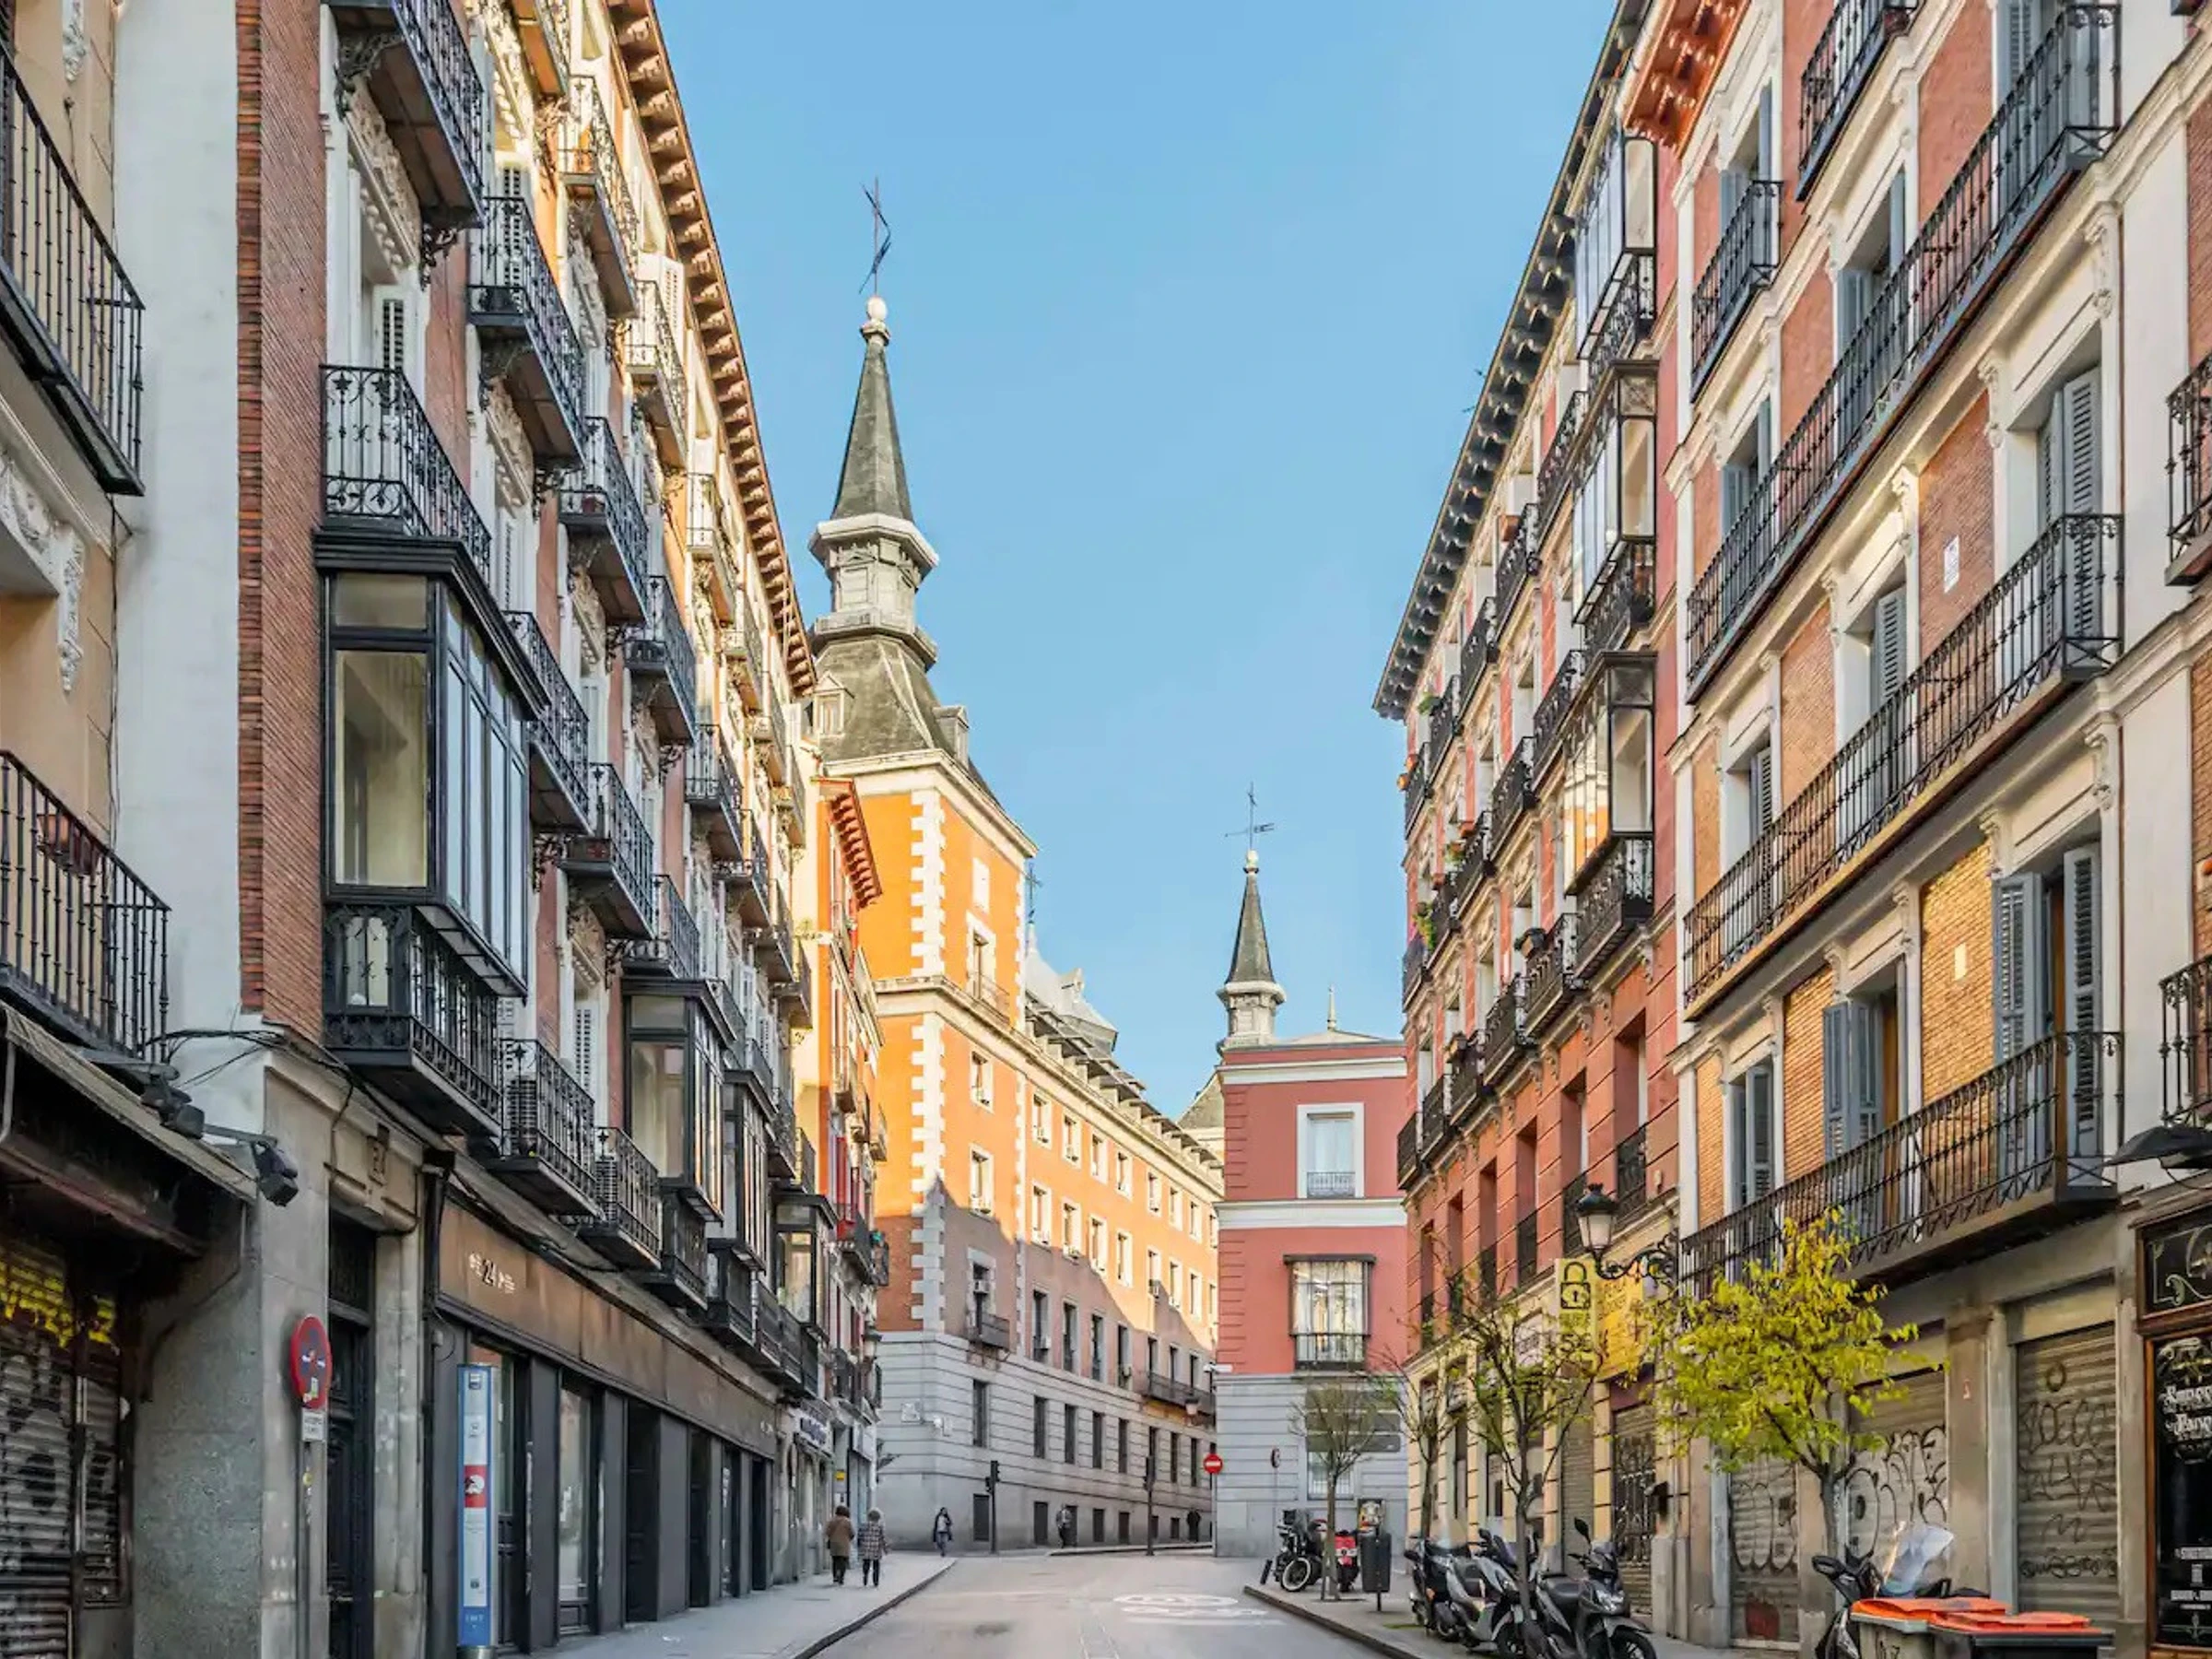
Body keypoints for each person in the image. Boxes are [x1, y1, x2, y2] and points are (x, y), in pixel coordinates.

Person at [857, 1507, 888, 1586]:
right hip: (876, 1548)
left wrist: (859, 1545)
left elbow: (860, 1536)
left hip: (865, 1547)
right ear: (878, 1517)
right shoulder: (880, 1526)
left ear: (869, 1516)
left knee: (866, 1562)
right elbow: (882, 1538)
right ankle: (875, 1581)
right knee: (876, 1564)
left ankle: (865, 1575)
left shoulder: (864, 1525)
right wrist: (885, 1548)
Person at [825, 1504, 855, 1584]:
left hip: (834, 1543)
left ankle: (835, 1576)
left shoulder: (832, 1521)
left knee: (835, 1560)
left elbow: (827, 1532)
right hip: (844, 1544)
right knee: (843, 1561)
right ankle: (841, 1577)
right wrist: (849, 1538)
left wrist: (832, 1537)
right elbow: (852, 1533)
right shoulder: (848, 1521)